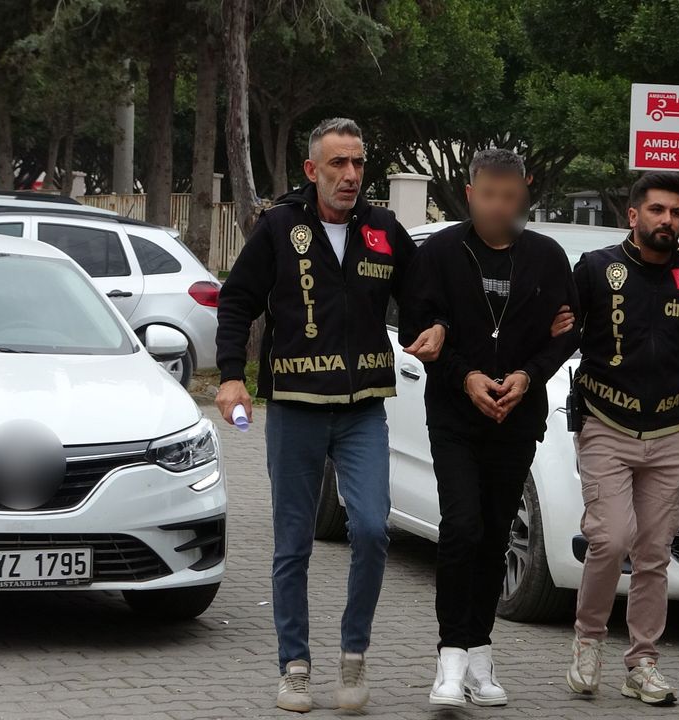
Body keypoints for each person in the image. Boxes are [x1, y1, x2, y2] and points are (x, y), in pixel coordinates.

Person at [215, 118, 446, 714]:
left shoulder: (383, 230)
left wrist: (435, 327)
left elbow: (422, 298)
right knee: (293, 543)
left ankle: (354, 654)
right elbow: (237, 300)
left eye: (358, 163)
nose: (350, 175)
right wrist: (232, 376)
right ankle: (294, 666)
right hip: (295, 407)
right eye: (338, 163)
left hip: (363, 408)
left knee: (370, 529)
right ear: (312, 170)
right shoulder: (279, 226)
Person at [403, 148, 579, 707]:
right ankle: (450, 658)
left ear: (524, 192)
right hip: (455, 415)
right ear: (469, 192)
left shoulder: (546, 257)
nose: (498, 206)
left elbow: (569, 333)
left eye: (509, 196)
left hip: (516, 418)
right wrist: (466, 376)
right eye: (487, 195)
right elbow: (416, 330)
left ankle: (480, 652)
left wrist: (528, 375)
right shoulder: (440, 252)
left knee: (496, 534)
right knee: (461, 527)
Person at [564, 171, 679, 706]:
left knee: (654, 551)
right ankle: (588, 641)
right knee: (610, 540)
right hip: (605, 425)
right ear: (633, 215)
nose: (668, 221)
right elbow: (559, 332)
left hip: (670, 432)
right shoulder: (596, 269)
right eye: (657, 210)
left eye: (676, 212)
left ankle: (642, 663)